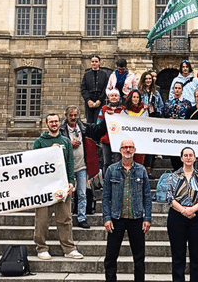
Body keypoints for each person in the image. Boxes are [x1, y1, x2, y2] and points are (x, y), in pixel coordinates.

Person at [32, 113, 83, 259]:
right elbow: (33, 164)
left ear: (59, 123)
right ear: (46, 124)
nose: (54, 124)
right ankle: (41, 248)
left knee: (65, 218)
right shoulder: (40, 142)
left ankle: (69, 249)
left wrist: (71, 182)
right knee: (42, 219)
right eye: (51, 122)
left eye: (56, 121)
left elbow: (70, 162)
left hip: (62, 185)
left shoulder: (66, 141)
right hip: (44, 187)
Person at [102, 139, 152, 282]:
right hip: (116, 218)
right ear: (120, 150)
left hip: (136, 219)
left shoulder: (141, 170)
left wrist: (147, 218)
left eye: (130, 147)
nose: (128, 150)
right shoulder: (111, 170)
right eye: (125, 148)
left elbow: (147, 196)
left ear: (135, 150)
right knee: (111, 257)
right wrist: (106, 218)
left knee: (139, 258)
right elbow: (105, 197)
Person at [166, 147, 198, 282]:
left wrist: (192, 210)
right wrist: (184, 211)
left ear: (195, 158)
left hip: (197, 217)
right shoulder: (173, 176)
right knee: (178, 255)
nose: (188, 157)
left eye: (191, 155)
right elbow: (169, 197)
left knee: (197, 256)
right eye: (186, 155)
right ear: (181, 158)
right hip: (177, 217)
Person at [59, 105, 106, 230]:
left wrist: (108, 118)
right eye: (71, 115)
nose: (73, 117)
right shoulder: (61, 129)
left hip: (82, 166)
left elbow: (98, 130)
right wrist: (69, 143)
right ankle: (66, 218)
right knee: (66, 194)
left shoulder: (83, 127)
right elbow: (55, 145)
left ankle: (82, 217)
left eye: (75, 115)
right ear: (66, 116)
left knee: (82, 193)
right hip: (66, 167)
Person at [163, 82, 193, 170]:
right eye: (175, 88)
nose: (177, 90)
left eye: (179, 88)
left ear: (182, 90)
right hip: (171, 131)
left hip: (183, 131)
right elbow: (164, 115)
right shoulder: (168, 102)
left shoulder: (187, 103)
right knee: (173, 151)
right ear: (173, 89)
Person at [98, 89, 125, 175]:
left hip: (118, 139)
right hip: (106, 139)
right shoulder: (104, 108)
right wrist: (106, 117)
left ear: (119, 97)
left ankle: (117, 178)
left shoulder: (123, 109)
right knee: (106, 162)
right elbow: (98, 123)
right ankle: (106, 181)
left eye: (116, 95)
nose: (114, 97)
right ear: (108, 97)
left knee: (118, 161)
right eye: (112, 95)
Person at [121, 89, 149, 164]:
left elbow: (146, 124)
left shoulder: (144, 111)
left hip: (140, 140)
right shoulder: (124, 111)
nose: (135, 99)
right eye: (134, 97)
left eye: (137, 97)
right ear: (130, 98)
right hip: (127, 139)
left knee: (139, 162)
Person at [80, 54, 109, 123]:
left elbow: (106, 87)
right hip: (89, 99)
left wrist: (100, 100)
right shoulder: (86, 74)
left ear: (99, 63)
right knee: (89, 121)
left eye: (96, 61)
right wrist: (88, 100)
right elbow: (83, 88)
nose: (94, 63)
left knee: (99, 120)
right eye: (92, 61)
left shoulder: (104, 74)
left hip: (100, 99)